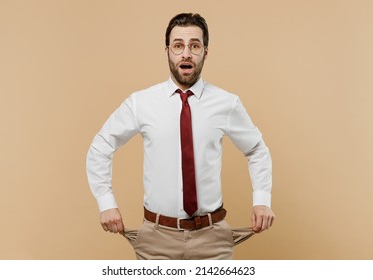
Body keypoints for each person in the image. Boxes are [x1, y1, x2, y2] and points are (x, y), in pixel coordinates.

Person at [86, 12, 275, 260]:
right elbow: (101, 146)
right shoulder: (140, 103)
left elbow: (256, 150)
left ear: (205, 53)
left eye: (194, 45)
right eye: (178, 45)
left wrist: (262, 199)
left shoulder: (227, 103)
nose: (186, 53)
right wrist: (106, 203)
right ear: (167, 51)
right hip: (156, 240)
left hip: (212, 240)